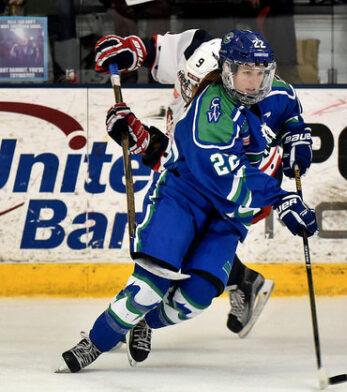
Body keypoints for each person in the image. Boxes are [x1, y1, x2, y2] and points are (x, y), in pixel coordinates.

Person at [58, 29, 318, 373]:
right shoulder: (208, 98)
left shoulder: (258, 85)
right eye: (245, 74)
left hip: (246, 186)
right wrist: (131, 56)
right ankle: (100, 338)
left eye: (259, 74)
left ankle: (149, 320)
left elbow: (281, 115)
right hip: (193, 180)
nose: (253, 84)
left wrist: (296, 135)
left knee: (197, 293)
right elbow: (195, 155)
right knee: (153, 280)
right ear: (224, 70)